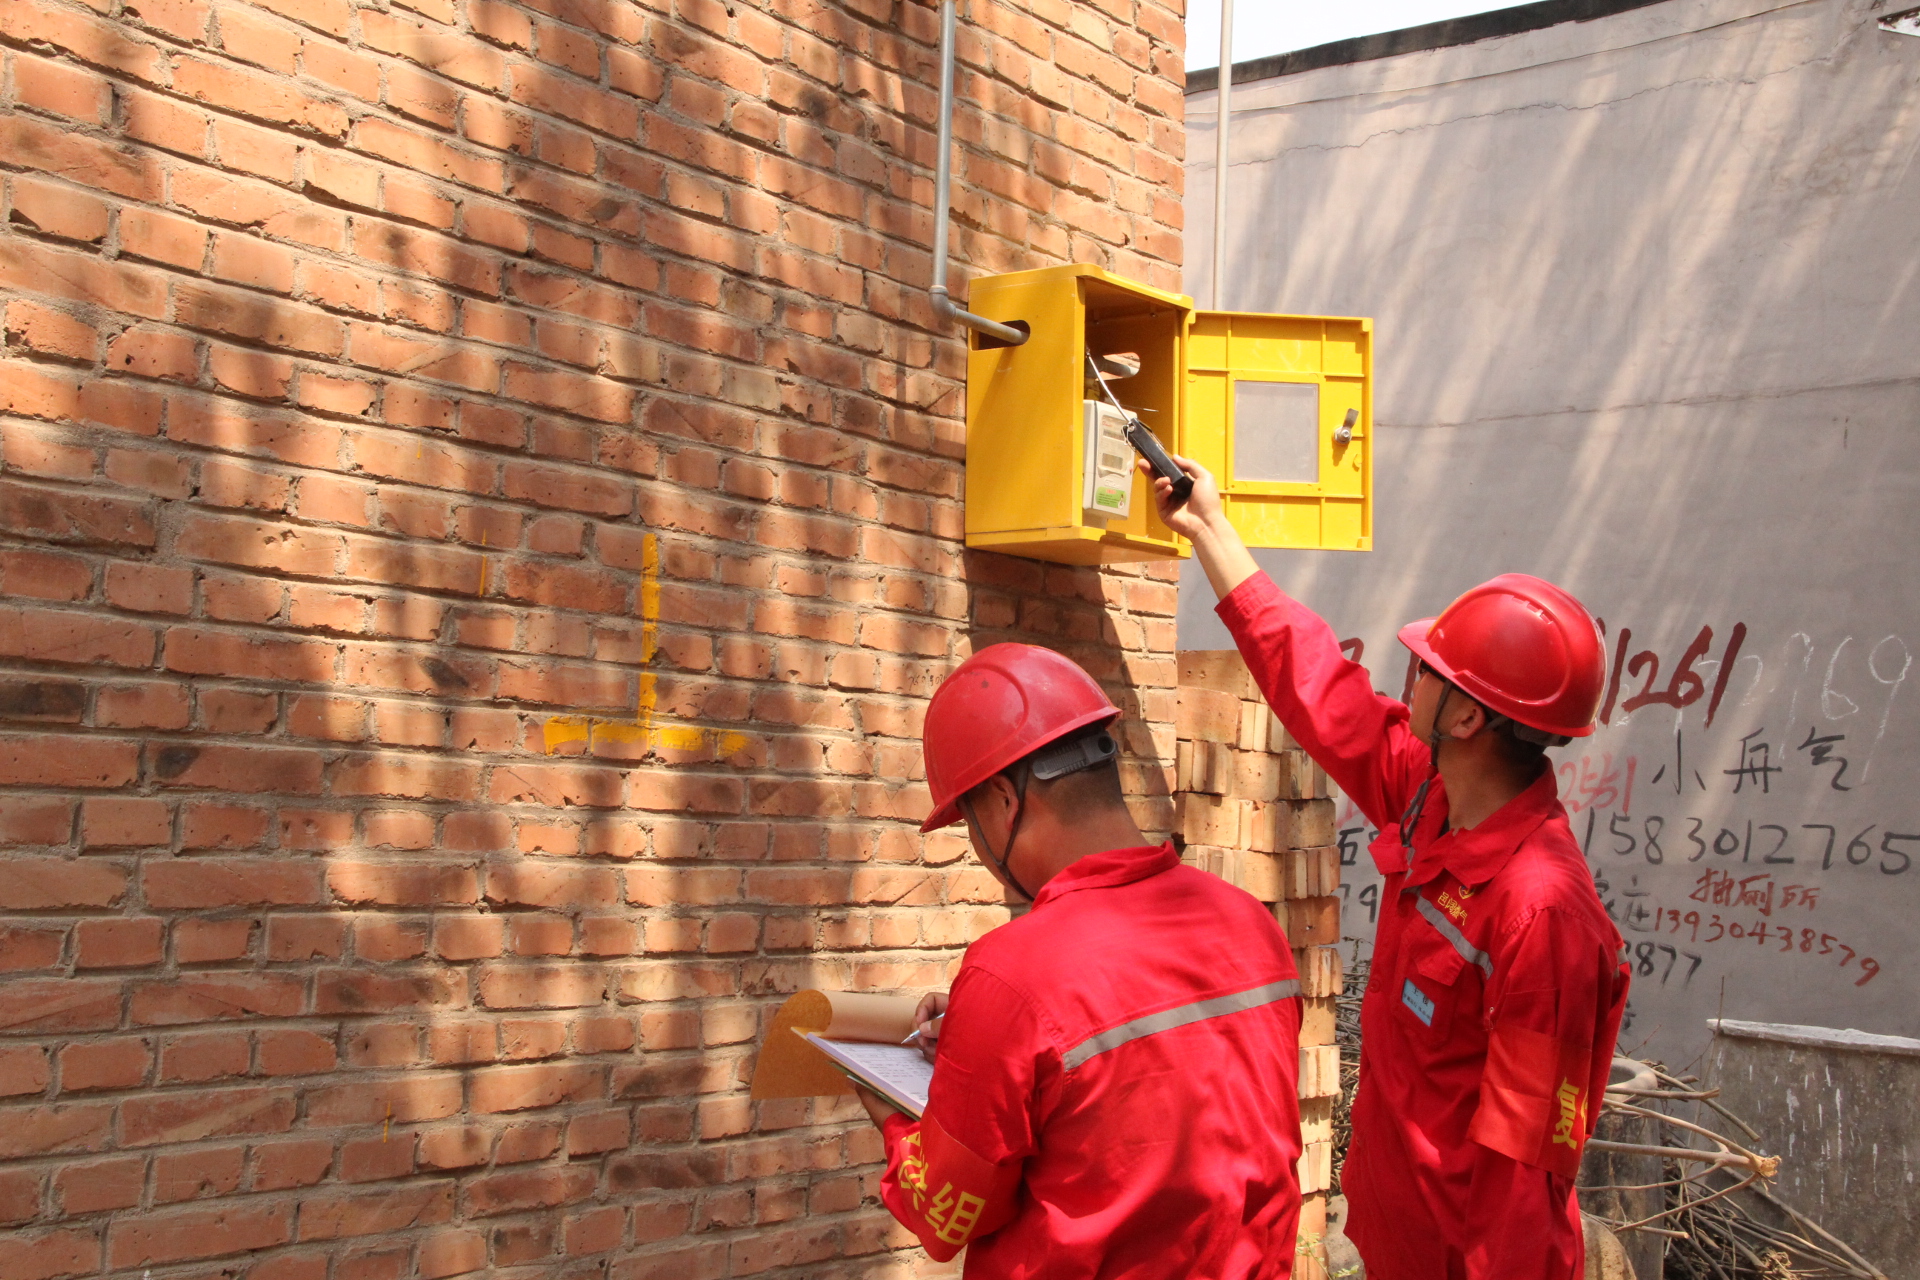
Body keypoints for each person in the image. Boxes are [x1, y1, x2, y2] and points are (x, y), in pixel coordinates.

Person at [1145, 455, 1629, 1280]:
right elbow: (1318, 688)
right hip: (1393, 1241)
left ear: (1467, 717)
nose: (1411, 681)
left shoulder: (1540, 916)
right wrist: (1209, 529)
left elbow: (1523, 1182)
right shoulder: (1431, 798)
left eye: (1429, 670)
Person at [853, 642, 1305, 1278]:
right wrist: (990, 1041)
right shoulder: (1249, 922)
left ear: (1004, 801)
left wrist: (893, 1118)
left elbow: (945, 1215)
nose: (979, 848)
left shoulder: (1010, 976)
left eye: (970, 823)